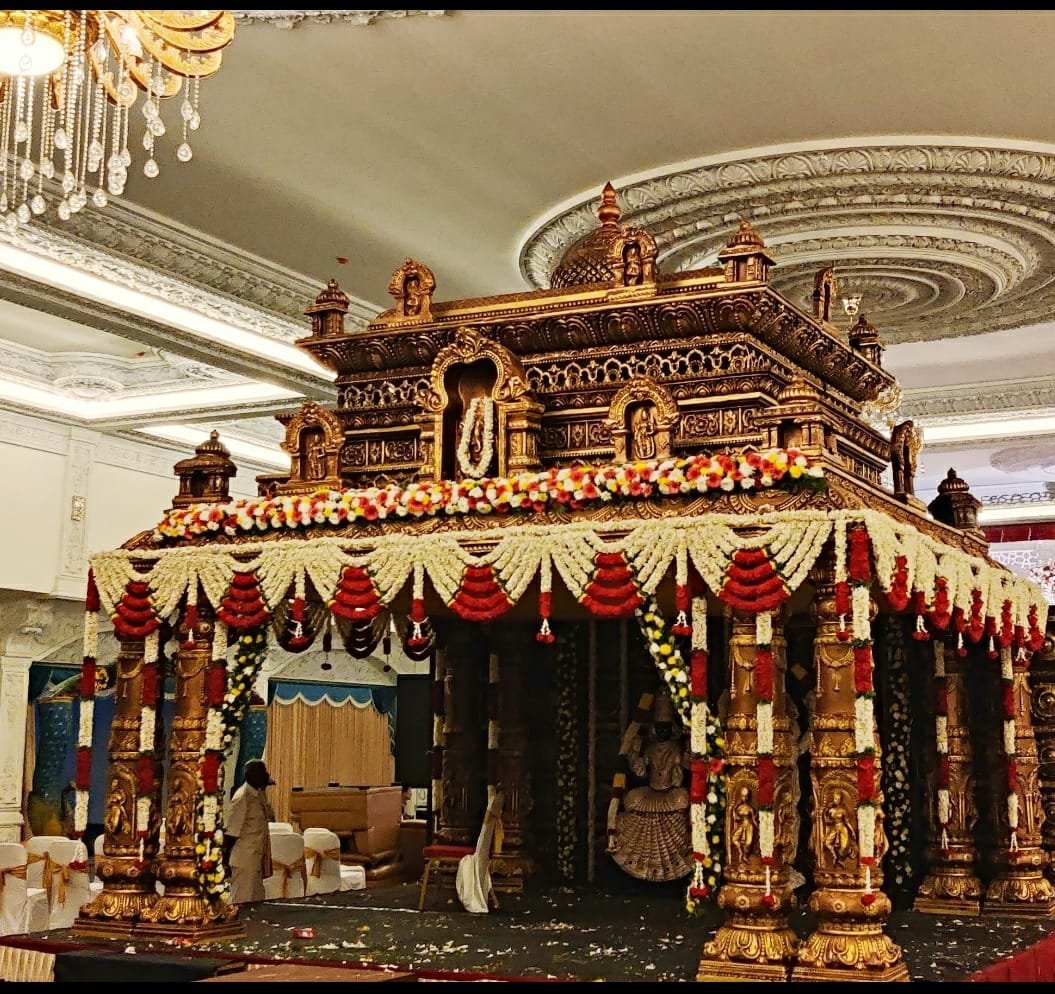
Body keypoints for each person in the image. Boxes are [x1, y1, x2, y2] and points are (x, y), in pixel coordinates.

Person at [224, 758, 276, 905]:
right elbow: (231, 833)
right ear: (251, 776)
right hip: (244, 860)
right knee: (242, 901)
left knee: (258, 902)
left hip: (257, 858)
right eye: (262, 773)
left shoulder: (258, 794)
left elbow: (270, 818)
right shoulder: (242, 797)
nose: (266, 775)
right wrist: (225, 862)